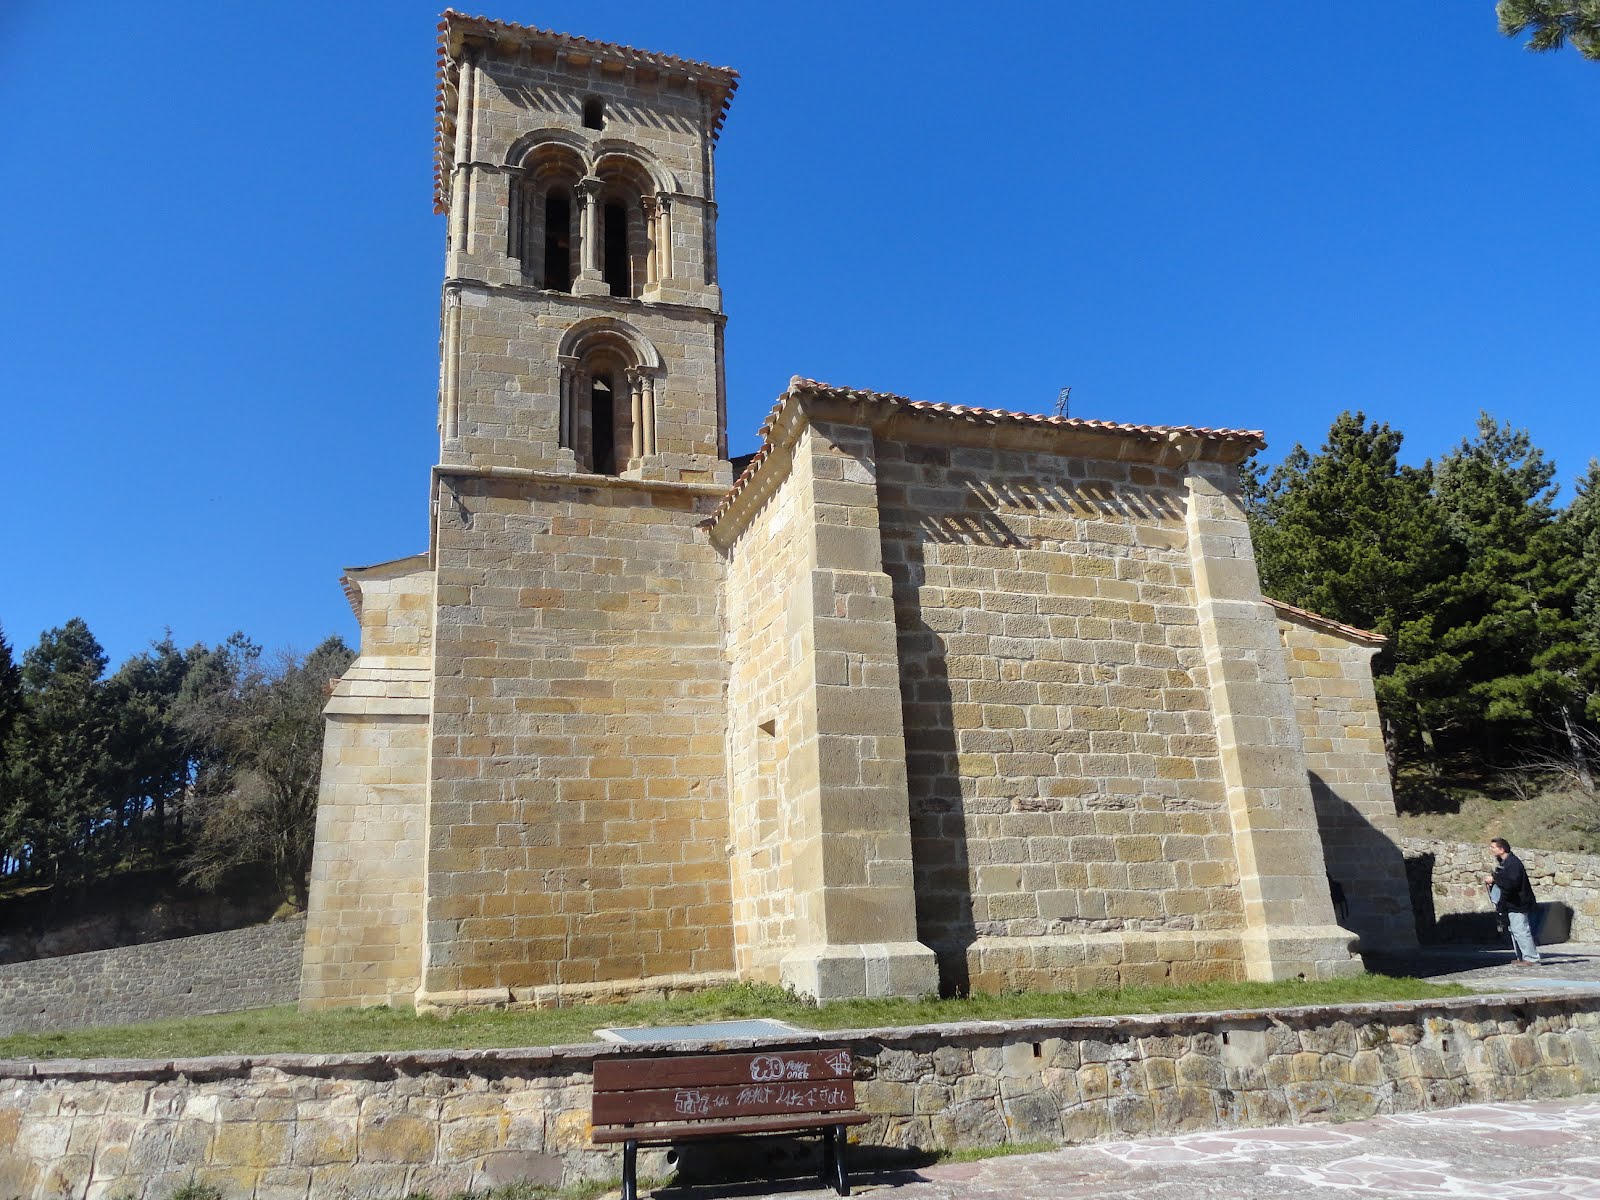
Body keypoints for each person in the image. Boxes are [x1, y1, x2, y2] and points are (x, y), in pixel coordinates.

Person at [1485, 838, 1542, 965]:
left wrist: (1494, 879)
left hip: (1518, 903)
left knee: (1521, 930)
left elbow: (1512, 882)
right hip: (1511, 903)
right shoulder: (1506, 863)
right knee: (1515, 931)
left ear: (1501, 849)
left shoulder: (1513, 863)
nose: (1491, 849)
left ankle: (1531, 958)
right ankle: (1522, 957)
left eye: (1493, 847)